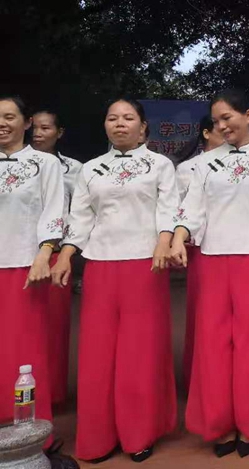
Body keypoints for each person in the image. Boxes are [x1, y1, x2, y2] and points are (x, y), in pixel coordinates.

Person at [168, 89, 249, 458]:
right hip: (211, 258)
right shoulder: (205, 163)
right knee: (213, 344)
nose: (222, 126)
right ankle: (218, 423)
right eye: (216, 121)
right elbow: (191, 209)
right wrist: (178, 238)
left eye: (228, 117)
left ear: (248, 115)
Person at [51, 99, 178, 463]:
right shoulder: (91, 169)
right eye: (112, 118)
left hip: (145, 264)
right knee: (98, 353)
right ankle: (98, 436)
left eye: (128, 118)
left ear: (143, 126)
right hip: (101, 264)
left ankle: (138, 433)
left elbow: (168, 210)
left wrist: (164, 242)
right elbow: (80, 217)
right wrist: (66, 255)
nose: (120, 123)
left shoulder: (160, 165)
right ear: (105, 125)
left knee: (140, 352)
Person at [0, 96, 64, 433]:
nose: (2, 123)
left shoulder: (45, 164)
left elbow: (54, 210)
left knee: (24, 348)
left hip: (24, 266)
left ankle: (29, 430)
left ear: (26, 123)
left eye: (9, 116)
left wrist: (44, 253)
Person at [30, 107, 82, 408]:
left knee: (53, 325)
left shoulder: (74, 169)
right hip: (18, 252)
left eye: (46, 128)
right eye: (35, 127)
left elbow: (79, 212)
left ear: (59, 132)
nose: (38, 133)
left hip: (56, 252)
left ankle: (53, 393)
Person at [173, 115, 225, 394]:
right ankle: (196, 373)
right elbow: (182, 208)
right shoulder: (187, 169)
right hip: (200, 246)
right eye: (219, 128)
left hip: (232, 244)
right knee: (201, 313)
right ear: (206, 133)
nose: (226, 131)